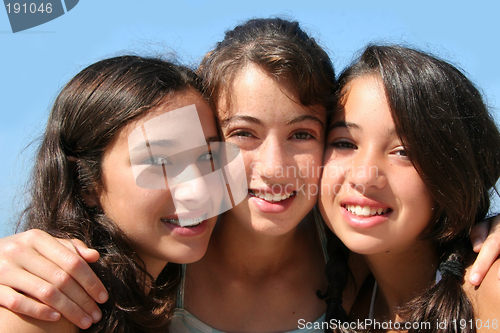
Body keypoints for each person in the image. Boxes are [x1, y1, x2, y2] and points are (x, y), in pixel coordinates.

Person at [1, 19, 500, 333]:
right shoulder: (153, 262)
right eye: (242, 134)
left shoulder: (355, 256)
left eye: (305, 135)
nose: (274, 168)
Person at [0, 55, 239, 332]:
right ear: (86, 183)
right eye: (160, 161)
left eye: (208, 157)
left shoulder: (163, 298)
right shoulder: (48, 307)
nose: (198, 190)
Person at [319, 45, 500, 331]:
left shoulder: (489, 290)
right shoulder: (347, 296)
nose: (364, 177)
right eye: (345, 143)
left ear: (454, 172)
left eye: (403, 152)